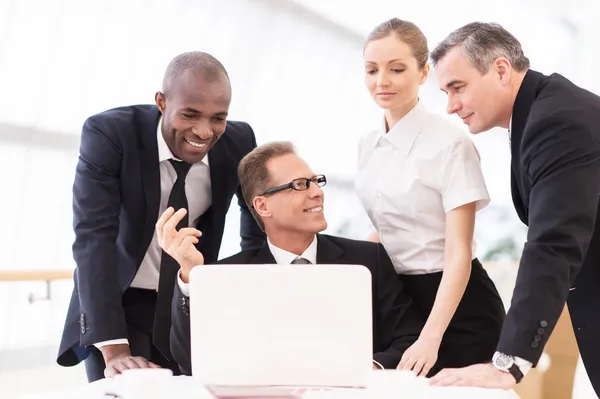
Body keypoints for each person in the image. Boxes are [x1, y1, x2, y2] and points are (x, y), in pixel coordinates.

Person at [56, 51, 266, 382]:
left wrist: (249, 303)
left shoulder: (238, 141)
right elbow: (93, 238)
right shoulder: (111, 134)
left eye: (218, 118)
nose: (204, 131)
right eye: (190, 114)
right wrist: (114, 349)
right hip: (120, 304)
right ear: (162, 102)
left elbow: (257, 224)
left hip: (188, 303)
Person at [428, 22, 600, 394]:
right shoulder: (544, 109)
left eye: (458, 87)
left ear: (501, 70)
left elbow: (553, 242)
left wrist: (508, 364)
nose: (451, 105)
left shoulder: (557, 120)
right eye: (445, 92)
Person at [155, 141, 425, 376]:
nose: (317, 191)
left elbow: (410, 339)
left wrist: (371, 369)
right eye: (299, 185)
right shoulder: (231, 275)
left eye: (315, 181)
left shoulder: (368, 259)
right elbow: (192, 363)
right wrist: (192, 272)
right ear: (262, 206)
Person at [355, 18, 505, 377]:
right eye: (372, 69)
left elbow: (458, 254)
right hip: (400, 300)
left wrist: (430, 336)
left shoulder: (451, 144)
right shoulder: (367, 145)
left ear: (424, 73)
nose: (382, 81)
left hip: (458, 307)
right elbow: (385, 232)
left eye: (397, 69)